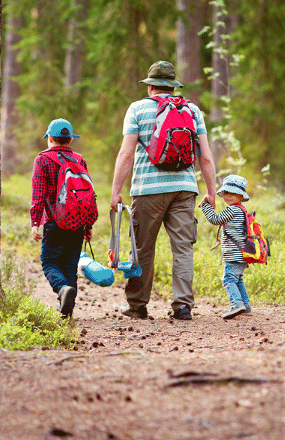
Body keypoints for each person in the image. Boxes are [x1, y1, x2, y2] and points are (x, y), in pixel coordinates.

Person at [110, 61, 217, 320]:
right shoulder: (192, 110)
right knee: (183, 248)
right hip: (184, 189)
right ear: (172, 86)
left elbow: (126, 154)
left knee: (143, 248)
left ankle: (137, 305)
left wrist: (115, 191)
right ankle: (182, 306)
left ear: (151, 87)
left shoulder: (137, 109)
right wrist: (211, 192)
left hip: (148, 190)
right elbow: (205, 157)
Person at [30, 118, 94, 318]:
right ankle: (67, 312)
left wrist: (35, 223)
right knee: (69, 264)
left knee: (49, 261)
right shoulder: (79, 159)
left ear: (50, 138)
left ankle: (61, 289)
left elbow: (38, 194)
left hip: (54, 221)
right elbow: (87, 194)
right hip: (78, 221)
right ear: (70, 140)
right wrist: (88, 224)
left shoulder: (42, 159)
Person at [199, 175, 252, 319]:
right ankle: (246, 306)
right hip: (242, 254)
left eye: (233, 193)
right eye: (226, 193)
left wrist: (205, 205)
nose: (229, 196)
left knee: (228, 279)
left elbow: (214, 219)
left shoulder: (232, 210)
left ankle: (237, 304)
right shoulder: (242, 209)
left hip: (234, 254)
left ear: (241, 195)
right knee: (238, 279)